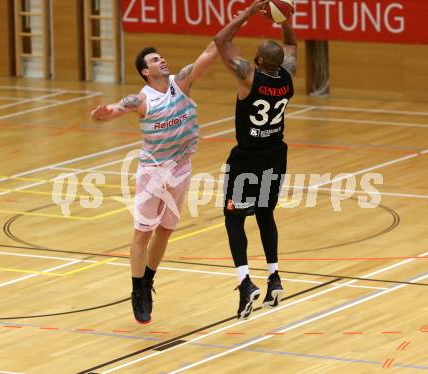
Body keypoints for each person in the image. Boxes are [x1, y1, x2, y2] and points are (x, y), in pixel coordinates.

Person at [91, 42, 219, 324]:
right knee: (142, 234)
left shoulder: (182, 83)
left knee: (165, 232)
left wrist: (241, 19)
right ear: (145, 71)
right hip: (153, 173)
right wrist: (103, 114)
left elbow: (210, 52)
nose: (162, 60)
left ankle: (148, 279)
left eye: (161, 57)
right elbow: (116, 108)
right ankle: (138, 291)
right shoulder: (143, 99)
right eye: (154, 59)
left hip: (181, 169)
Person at [214, 0, 297, 320]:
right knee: (265, 213)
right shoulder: (287, 77)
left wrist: (248, 13)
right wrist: (284, 19)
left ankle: (245, 282)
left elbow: (221, 41)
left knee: (233, 218)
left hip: (247, 158)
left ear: (258, 60)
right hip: (275, 156)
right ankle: (274, 275)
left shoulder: (249, 75)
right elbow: (290, 44)